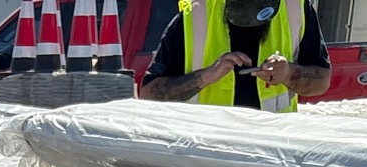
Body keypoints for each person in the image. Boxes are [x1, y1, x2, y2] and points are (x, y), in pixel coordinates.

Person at [139, 0, 331, 110]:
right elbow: (149, 95)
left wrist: (288, 73)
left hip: (273, 149)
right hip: (207, 150)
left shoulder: (296, 7)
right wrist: (206, 76)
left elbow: (322, 81)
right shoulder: (196, 12)